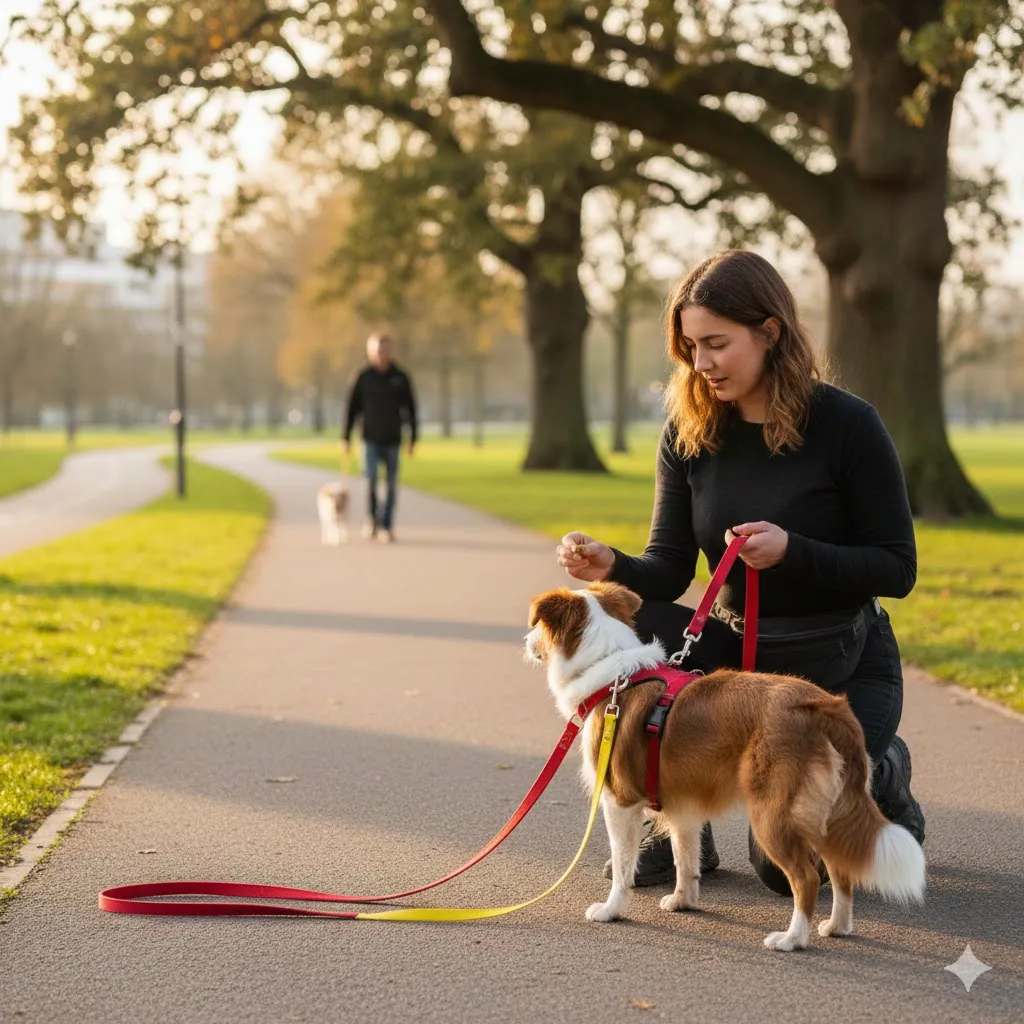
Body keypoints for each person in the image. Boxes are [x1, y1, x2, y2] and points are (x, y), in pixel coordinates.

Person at [556, 249, 925, 897]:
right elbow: (668, 571)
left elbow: (897, 568)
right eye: (690, 347)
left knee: (784, 872)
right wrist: (613, 564)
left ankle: (882, 771)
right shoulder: (690, 431)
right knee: (645, 633)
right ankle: (668, 809)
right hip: (737, 654)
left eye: (717, 344)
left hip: (838, 655)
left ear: (770, 332)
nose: (701, 364)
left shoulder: (848, 425)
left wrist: (794, 550)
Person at [342, 332, 418, 544]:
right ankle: (372, 520)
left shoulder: (400, 377)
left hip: (393, 438)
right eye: (377, 350)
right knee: (371, 481)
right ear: (370, 352)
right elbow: (351, 408)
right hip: (369, 438)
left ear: (390, 350)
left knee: (391, 484)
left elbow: (411, 409)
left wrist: (413, 437)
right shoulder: (363, 377)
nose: (381, 353)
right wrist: (345, 437)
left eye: (384, 349)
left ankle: (387, 525)